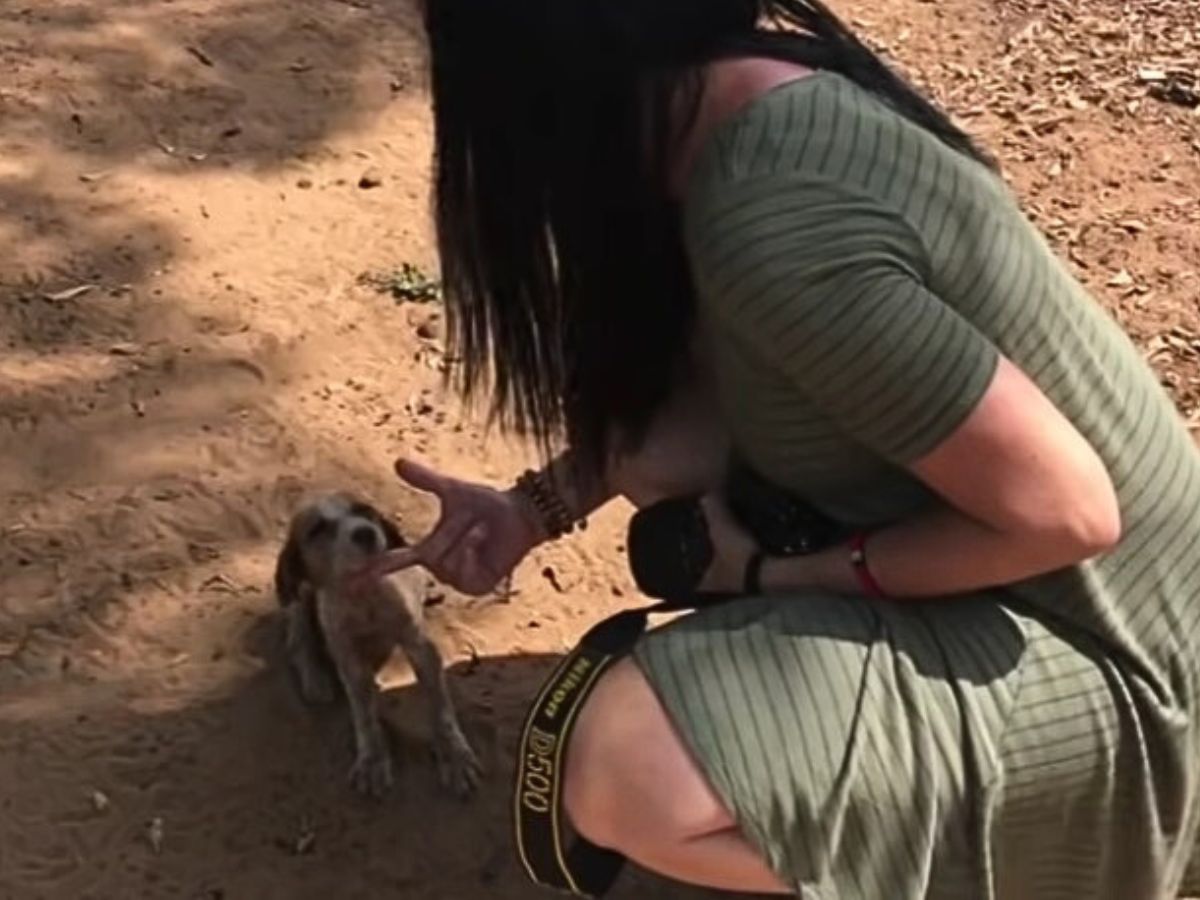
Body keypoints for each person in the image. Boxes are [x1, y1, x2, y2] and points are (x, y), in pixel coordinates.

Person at [370, 1, 1200, 897]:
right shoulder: (733, 97)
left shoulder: (771, 220)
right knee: (659, 459)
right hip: (1048, 586)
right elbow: (694, 390)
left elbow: (1065, 512)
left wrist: (777, 573)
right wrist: (535, 509)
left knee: (627, 768)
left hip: (1122, 674)